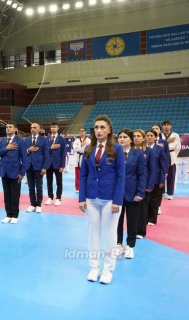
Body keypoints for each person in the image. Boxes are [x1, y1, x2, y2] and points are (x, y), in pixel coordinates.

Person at [79, 115, 125, 285]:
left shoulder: (117, 149)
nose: (98, 130)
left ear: (109, 130)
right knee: (93, 233)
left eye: (102, 127)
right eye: (96, 127)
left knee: (111, 235)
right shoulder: (88, 149)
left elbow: (121, 176)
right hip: (91, 198)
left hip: (110, 198)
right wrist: (82, 198)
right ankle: (93, 267)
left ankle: (108, 269)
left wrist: (117, 201)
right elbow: (83, 175)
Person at [116, 129, 147, 260]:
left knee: (132, 221)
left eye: (125, 137)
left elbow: (142, 174)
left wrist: (140, 192)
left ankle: (130, 246)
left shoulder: (138, 154)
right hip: (116, 193)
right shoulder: (114, 153)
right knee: (117, 221)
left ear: (130, 139)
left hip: (133, 193)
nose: (122, 139)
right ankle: (118, 244)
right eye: (120, 137)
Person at [0, 121, 28, 224]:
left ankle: (15, 215)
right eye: (7, 127)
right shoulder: (2, 141)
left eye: (10, 127)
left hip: (15, 172)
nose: (8, 128)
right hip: (3, 171)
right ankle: (8, 214)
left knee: (15, 195)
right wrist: (6, 148)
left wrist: (22, 173)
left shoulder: (20, 141)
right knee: (6, 194)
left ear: (15, 129)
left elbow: (25, 160)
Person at [25, 122, 49, 214]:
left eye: (35, 127)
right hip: (28, 166)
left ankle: (38, 205)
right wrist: (28, 150)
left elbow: (46, 155)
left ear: (39, 129)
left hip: (39, 167)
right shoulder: (26, 139)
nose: (33, 129)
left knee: (39, 187)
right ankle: (32, 204)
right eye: (31, 127)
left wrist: (44, 167)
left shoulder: (43, 140)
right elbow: (24, 152)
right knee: (31, 187)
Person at [145, 129, 167, 227]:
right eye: (147, 135)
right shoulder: (142, 149)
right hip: (145, 178)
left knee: (154, 200)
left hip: (156, 178)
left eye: (151, 135)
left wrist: (162, 180)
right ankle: (144, 218)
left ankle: (152, 219)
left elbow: (163, 165)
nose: (149, 137)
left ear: (155, 137)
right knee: (145, 200)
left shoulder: (160, 149)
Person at [44, 122, 66, 206]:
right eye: (51, 127)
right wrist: (51, 148)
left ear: (58, 128)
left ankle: (58, 198)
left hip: (58, 163)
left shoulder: (61, 139)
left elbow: (64, 152)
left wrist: (62, 165)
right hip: (48, 163)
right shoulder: (47, 139)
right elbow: (45, 151)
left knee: (59, 182)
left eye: (54, 127)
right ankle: (50, 197)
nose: (53, 128)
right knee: (49, 181)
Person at [161, 120, 181, 200]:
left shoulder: (175, 135)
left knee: (171, 176)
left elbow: (178, 147)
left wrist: (173, 155)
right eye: (164, 125)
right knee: (161, 176)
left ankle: (170, 193)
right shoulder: (160, 135)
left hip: (171, 155)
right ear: (162, 126)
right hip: (161, 156)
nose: (166, 126)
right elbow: (158, 145)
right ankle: (161, 192)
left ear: (170, 126)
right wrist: (167, 141)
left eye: (168, 125)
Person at [73, 127, 91, 193]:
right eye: (80, 131)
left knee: (85, 174)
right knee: (77, 174)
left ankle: (85, 187)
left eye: (83, 131)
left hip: (85, 157)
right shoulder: (76, 140)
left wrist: (80, 148)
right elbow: (75, 149)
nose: (81, 132)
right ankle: (77, 187)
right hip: (77, 158)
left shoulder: (89, 140)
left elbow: (89, 150)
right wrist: (81, 146)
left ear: (85, 132)